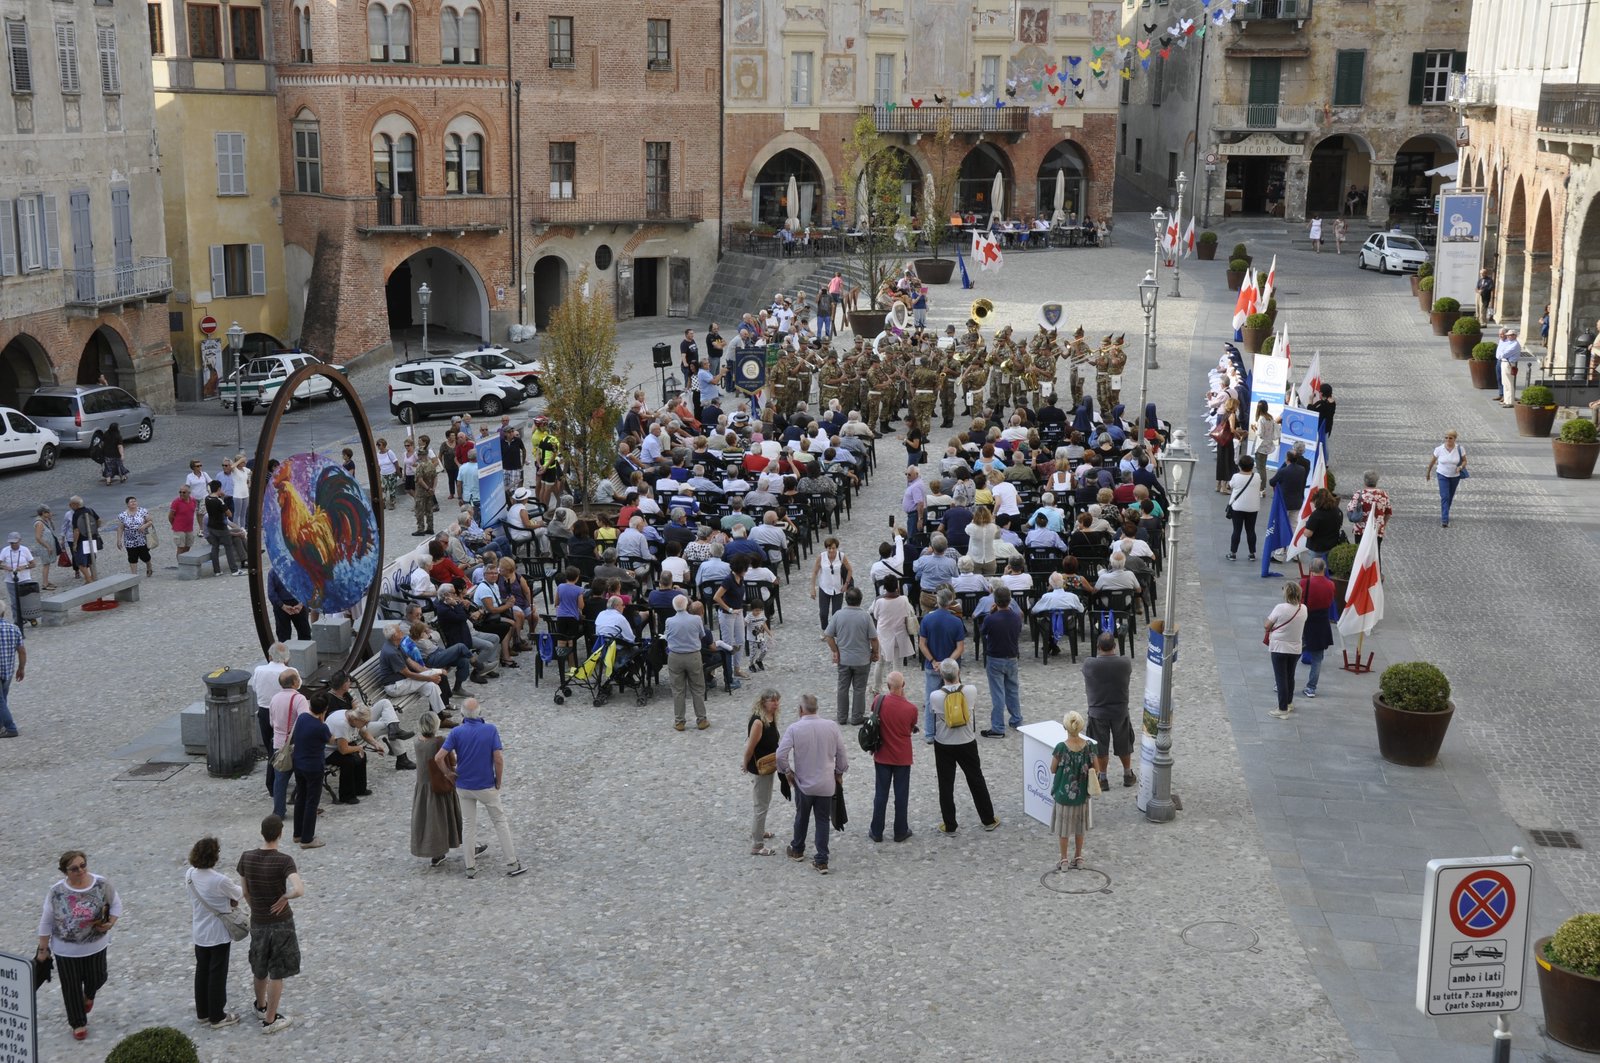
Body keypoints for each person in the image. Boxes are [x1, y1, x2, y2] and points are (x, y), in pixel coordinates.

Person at [434, 698, 528, 878]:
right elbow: (498, 759)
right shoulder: (490, 730)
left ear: (462, 713)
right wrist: (498, 780)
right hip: (485, 785)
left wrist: (448, 773)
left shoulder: (457, 732)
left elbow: (439, 757)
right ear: (479, 712)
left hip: (464, 785)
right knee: (500, 822)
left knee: (468, 825)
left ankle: (470, 866)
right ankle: (512, 862)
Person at [36, 850, 121, 1041]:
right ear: (65, 871)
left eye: (83, 865)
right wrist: (43, 948)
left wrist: (110, 923)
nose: (80, 870)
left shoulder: (101, 884)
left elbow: (116, 905)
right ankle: (78, 1023)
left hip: (96, 944)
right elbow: (46, 920)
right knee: (71, 986)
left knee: (99, 976)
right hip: (66, 949)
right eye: (74, 868)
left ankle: (89, 995)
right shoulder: (56, 892)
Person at [237, 815, 303, 1034]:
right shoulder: (284, 861)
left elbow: (245, 892)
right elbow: (299, 889)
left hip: (258, 920)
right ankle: (270, 1020)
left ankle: (260, 1006)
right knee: (277, 971)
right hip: (281, 922)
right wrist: (286, 897)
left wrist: (255, 907)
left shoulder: (246, 858)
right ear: (280, 834)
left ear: (262, 833)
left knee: (260, 966)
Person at [775, 693, 849, 874]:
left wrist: (787, 772)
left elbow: (780, 755)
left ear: (800, 709)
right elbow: (842, 755)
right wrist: (839, 773)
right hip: (826, 784)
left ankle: (797, 849)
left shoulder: (794, 729)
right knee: (823, 820)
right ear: (817, 708)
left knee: (802, 816)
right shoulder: (831, 726)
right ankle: (822, 859)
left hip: (804, 784)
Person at [929, 659, 999, 834]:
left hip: (944, 742)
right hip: (966, 741)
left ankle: (950, 824)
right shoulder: (970, 691)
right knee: (976, 779)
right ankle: (988, 819)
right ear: (958, 672)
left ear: (941, 675)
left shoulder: (935, 696)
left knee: (945, 785)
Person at [185, 835, 245, 1028]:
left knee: (202, 971)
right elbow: (238, 893)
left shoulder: (189, 874)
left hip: (199, 931)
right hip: (217, 933)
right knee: (217, 974)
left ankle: (202, 1012)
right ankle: (217, 1015)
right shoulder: (220, 880)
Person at [868, 670, 919, 844]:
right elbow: (911, 726)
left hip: (882, 755)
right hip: (902, 757)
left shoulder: (878, 701)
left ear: (888, 686)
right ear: (903, 685)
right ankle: (900, 830)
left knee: (881, 794)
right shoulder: (911, 709)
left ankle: (876, 831)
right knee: (901, 795)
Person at [410, 712, 466, 867]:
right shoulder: (440, 741)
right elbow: (452, 760)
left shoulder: (417, 743)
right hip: (440, 784)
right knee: (450, 817)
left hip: (423, 787)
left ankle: (437, 853)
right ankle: (469, 845)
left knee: (431, 820)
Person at [1082, 633, 1134, 791]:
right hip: (1120, 711)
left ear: (1098, 647)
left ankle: (1103, 778)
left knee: (1100, 747)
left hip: (1098, 712)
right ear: (1115, 646)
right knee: (1124, 743)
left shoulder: (1090, 664)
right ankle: (1127, 774)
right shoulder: (1125, 663)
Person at [824, 586, 879, 725]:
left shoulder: (838, 615)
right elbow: (873, 638)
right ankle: (856, 717)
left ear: (846, 599)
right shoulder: (865, 616)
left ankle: (842, 717)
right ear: (860, 600)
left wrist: (835, 650)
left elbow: (828, 635)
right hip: (862, 660)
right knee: (859, 689)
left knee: (843, 688)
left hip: (844, 659)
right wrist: (875, 652)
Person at [1051, 711, 1095, 870]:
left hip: (1064, 794)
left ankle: (1064, 860)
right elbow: (1096, 768)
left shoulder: (1061, 747)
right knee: (1079, 827)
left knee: (1064, 830)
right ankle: (1079, 856)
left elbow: (1052, 769)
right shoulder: (1089, 747)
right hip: (1082, 794)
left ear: (1065, 727)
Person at [739, 690, 782, 856]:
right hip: (760, 768)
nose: (776, 704)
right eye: (772, 701)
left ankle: (759, 830)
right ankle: (757, 845)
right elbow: (750, 747)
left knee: (763, 801)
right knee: (761, 805)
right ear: (764, 702)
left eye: (777, 701)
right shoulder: (758, 722)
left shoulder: (771, 717)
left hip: (769, 765)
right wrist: (745, 764)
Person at [979, 585, 1023, 737]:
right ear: (1009, 600)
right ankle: (1016, 719)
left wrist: (991, 613)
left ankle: (998, 727)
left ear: (995, 601)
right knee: (1012, 690)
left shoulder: (991, 619)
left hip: (995, 658)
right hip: (1011, 657)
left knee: (997, 693)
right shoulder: (1016, 617)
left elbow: (982, 631)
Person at [288, 693, 330, 848]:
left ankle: (297, 833)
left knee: (301, 797)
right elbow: (328, 738)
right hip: (313, 767)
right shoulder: (321, 727)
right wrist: (323, 719)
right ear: (325, 709)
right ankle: (307, 839)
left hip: (298, 764)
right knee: (312, 802)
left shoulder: (302, 718)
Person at [664, 594, 708, 731]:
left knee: (678, 690)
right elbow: (702, 635)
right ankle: (701, 719)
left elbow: (667, 636)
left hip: (675, 656)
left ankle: (679, 721)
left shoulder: (669, 621)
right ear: (687, 605)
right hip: (693, 655)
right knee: (697, 688)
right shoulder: (696, 619)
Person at [1265, 581, 1308, 719]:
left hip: (1279, 647)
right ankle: (1289, 702)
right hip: (1295, 648)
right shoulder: (1304, 609)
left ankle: (1282, 709)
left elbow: (1267, 625)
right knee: (1290, 676)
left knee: (1281, 678)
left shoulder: (1280, 608)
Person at [868, 575, 917, 695]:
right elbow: (909, 612)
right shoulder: (904, 600)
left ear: (884, 587)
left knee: (880, 663)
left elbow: (875, 615)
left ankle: (877, 688)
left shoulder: (879, 601)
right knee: (898, 665)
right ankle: (898, 689)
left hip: (884, 635)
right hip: (899, 635)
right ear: (897, 587)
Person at [1299, 559, 1336, 701]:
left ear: (1310, 568)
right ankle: (1311, 688)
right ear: (1324, 568)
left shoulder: (1304, 583)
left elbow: (1299, 602)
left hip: (1305, 621)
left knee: (1293, 654)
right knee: (1317, 658)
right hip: (1321, 623)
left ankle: (1283, 683)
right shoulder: (1330, 585)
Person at [1424, 430, 1467, 527]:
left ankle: (1445, 511)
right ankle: (1445, 519)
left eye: (1450, 438)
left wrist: (1460, 467)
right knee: (1445, 496)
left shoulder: (1460, 449)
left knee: (1450, 497)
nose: (1448, 440)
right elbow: (1432, 461)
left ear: (1455, 439)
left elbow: (1464, 461)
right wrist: (1428, 473)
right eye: (1446, 437)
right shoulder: (1439, 449)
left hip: (1455, 476)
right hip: (1442, 475)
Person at [809, 536, 852, 629]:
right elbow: (815, 572)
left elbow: (849, 570)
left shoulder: (841, 556)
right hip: (824, 588)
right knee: (823, 613)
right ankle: (825, 630)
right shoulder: (821, 557)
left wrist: (846, 584)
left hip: (838, 589)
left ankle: (834, 631)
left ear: (836, 548)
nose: (832, 550)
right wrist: (812, 588)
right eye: (829, 548)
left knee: (836, 614)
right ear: (826, 548)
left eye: (833, 548)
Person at [202, 480, 243, 576]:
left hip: (211, 527)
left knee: (215, 548)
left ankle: (217, 570)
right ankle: (234, 570)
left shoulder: (207, 498)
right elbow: (229, 513)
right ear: (219, 489)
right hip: (221, 527)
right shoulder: (219, 501)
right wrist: (223, 499)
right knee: (228, 548)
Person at [1226, 455, 1262, 562]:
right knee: (1251, 530)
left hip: (1238, 507)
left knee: (1237, 530)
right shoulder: (1257, 476)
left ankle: (1233, 553)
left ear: (1240, 466)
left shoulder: (1236, 477)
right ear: (1252, 466)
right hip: (1253, 507)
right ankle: (1252, 553)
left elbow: (1230, 486)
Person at [0, 600, 24, 737]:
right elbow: (22, 651)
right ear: (3, 613)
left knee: (0, 701)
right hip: (7, 670)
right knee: (2, 698)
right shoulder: (14, 629)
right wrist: (21, 668)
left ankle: (10, 728)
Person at [1303, 488, 1343, 568]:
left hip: (1318, 548)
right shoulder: (1337, 511)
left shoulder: (1317, 514)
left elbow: (1308, 533)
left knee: (1316, 570)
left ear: (1318, 500)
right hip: (1332, 545)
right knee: (1328, 570)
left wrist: (1306, 526)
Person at [1495, 326, 1522, 407]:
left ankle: (1510, 402)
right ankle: (1506, 400)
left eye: (1509, 335)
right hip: (1504, 363)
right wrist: (1502, 353)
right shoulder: (1510, 343)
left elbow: (1504, 354)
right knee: (1505, 383)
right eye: (1508, 335)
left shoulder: (1515, 344)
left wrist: (1502, 353)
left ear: (1514, 335)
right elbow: (1501, 352)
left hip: (1508, 364)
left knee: (1509, 383)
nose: (1508, 336)